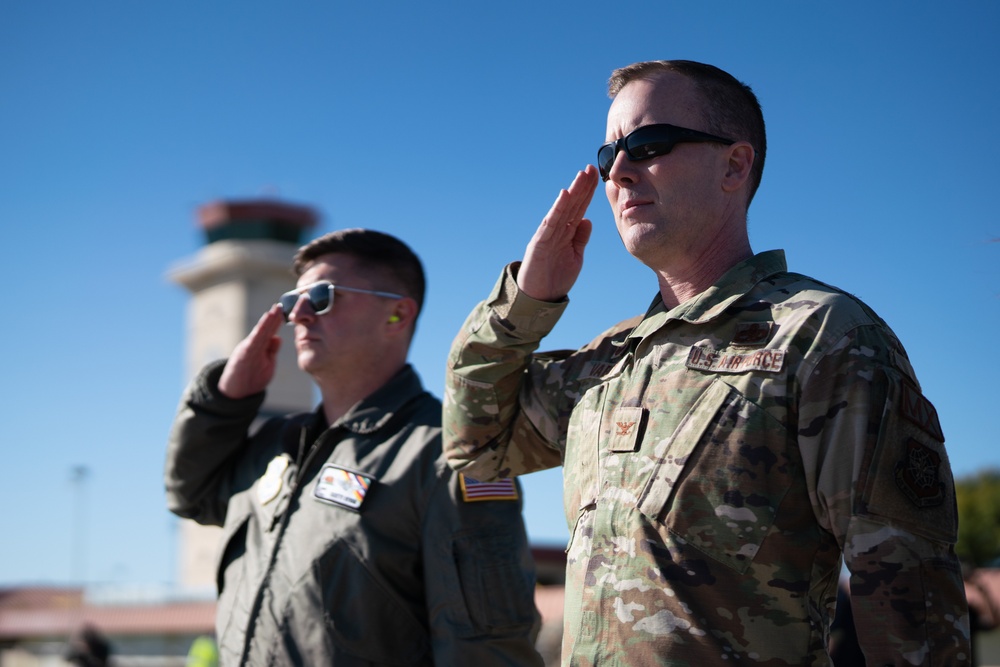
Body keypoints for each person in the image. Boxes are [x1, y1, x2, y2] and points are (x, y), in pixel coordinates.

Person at [443, 60, 970, 665]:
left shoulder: (822, 335)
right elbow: (476, 448)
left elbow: (911, 600)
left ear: (734, 166)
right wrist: (527, 303)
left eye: (647, 144)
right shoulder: (612, 359)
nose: (618, 171)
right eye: (609, 151)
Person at [166, 228, 543, 666]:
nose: (299, 315)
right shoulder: (276, 445)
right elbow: (189, 495)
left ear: (397, 315)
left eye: (322, 297)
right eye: (291, 301)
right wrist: (223, 401)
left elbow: (485, 650)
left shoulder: (452, 453)